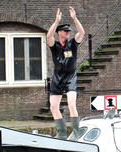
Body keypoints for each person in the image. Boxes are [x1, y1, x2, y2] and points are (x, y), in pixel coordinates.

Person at [47, 7, 85, 139]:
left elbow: (82, 33)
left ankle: (76, 132)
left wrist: (75, 18)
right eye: (65, 31)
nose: (68, 32)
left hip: (70, 77)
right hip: (57, 78)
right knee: (53, 106)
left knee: (71, 103)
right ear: (59, 33)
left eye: (69, 31)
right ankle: (62, 133)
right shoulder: (55, 46)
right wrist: (56, 21)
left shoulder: (73, 44)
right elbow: (48, 36)